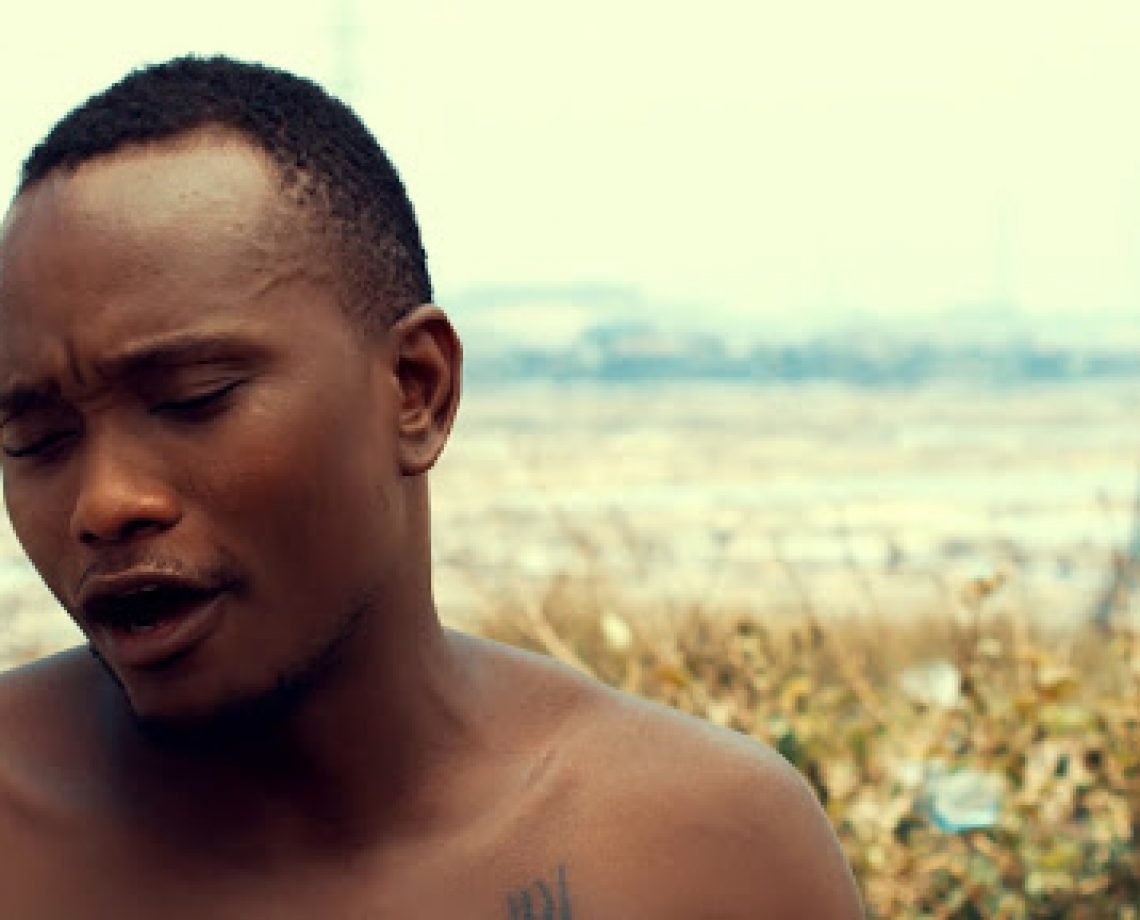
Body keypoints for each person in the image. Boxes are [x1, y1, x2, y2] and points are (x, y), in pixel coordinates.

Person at [0, 56, 863, 918]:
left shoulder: (696, 855)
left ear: (416, 390)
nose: (103, 503)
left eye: (195, 399)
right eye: (36, 440)